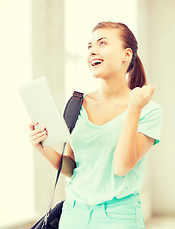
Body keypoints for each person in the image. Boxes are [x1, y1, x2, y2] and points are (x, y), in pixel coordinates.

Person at [29, 21, 163, 229]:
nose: (92, 51)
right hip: (74, 214)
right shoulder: (76, 104)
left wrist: (134, 110)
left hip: (119, 217)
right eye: (89, 46)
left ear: (126, 55)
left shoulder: (148, 110)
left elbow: (121, 167)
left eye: (102, 43)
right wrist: (42, 147)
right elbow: (73, 168)